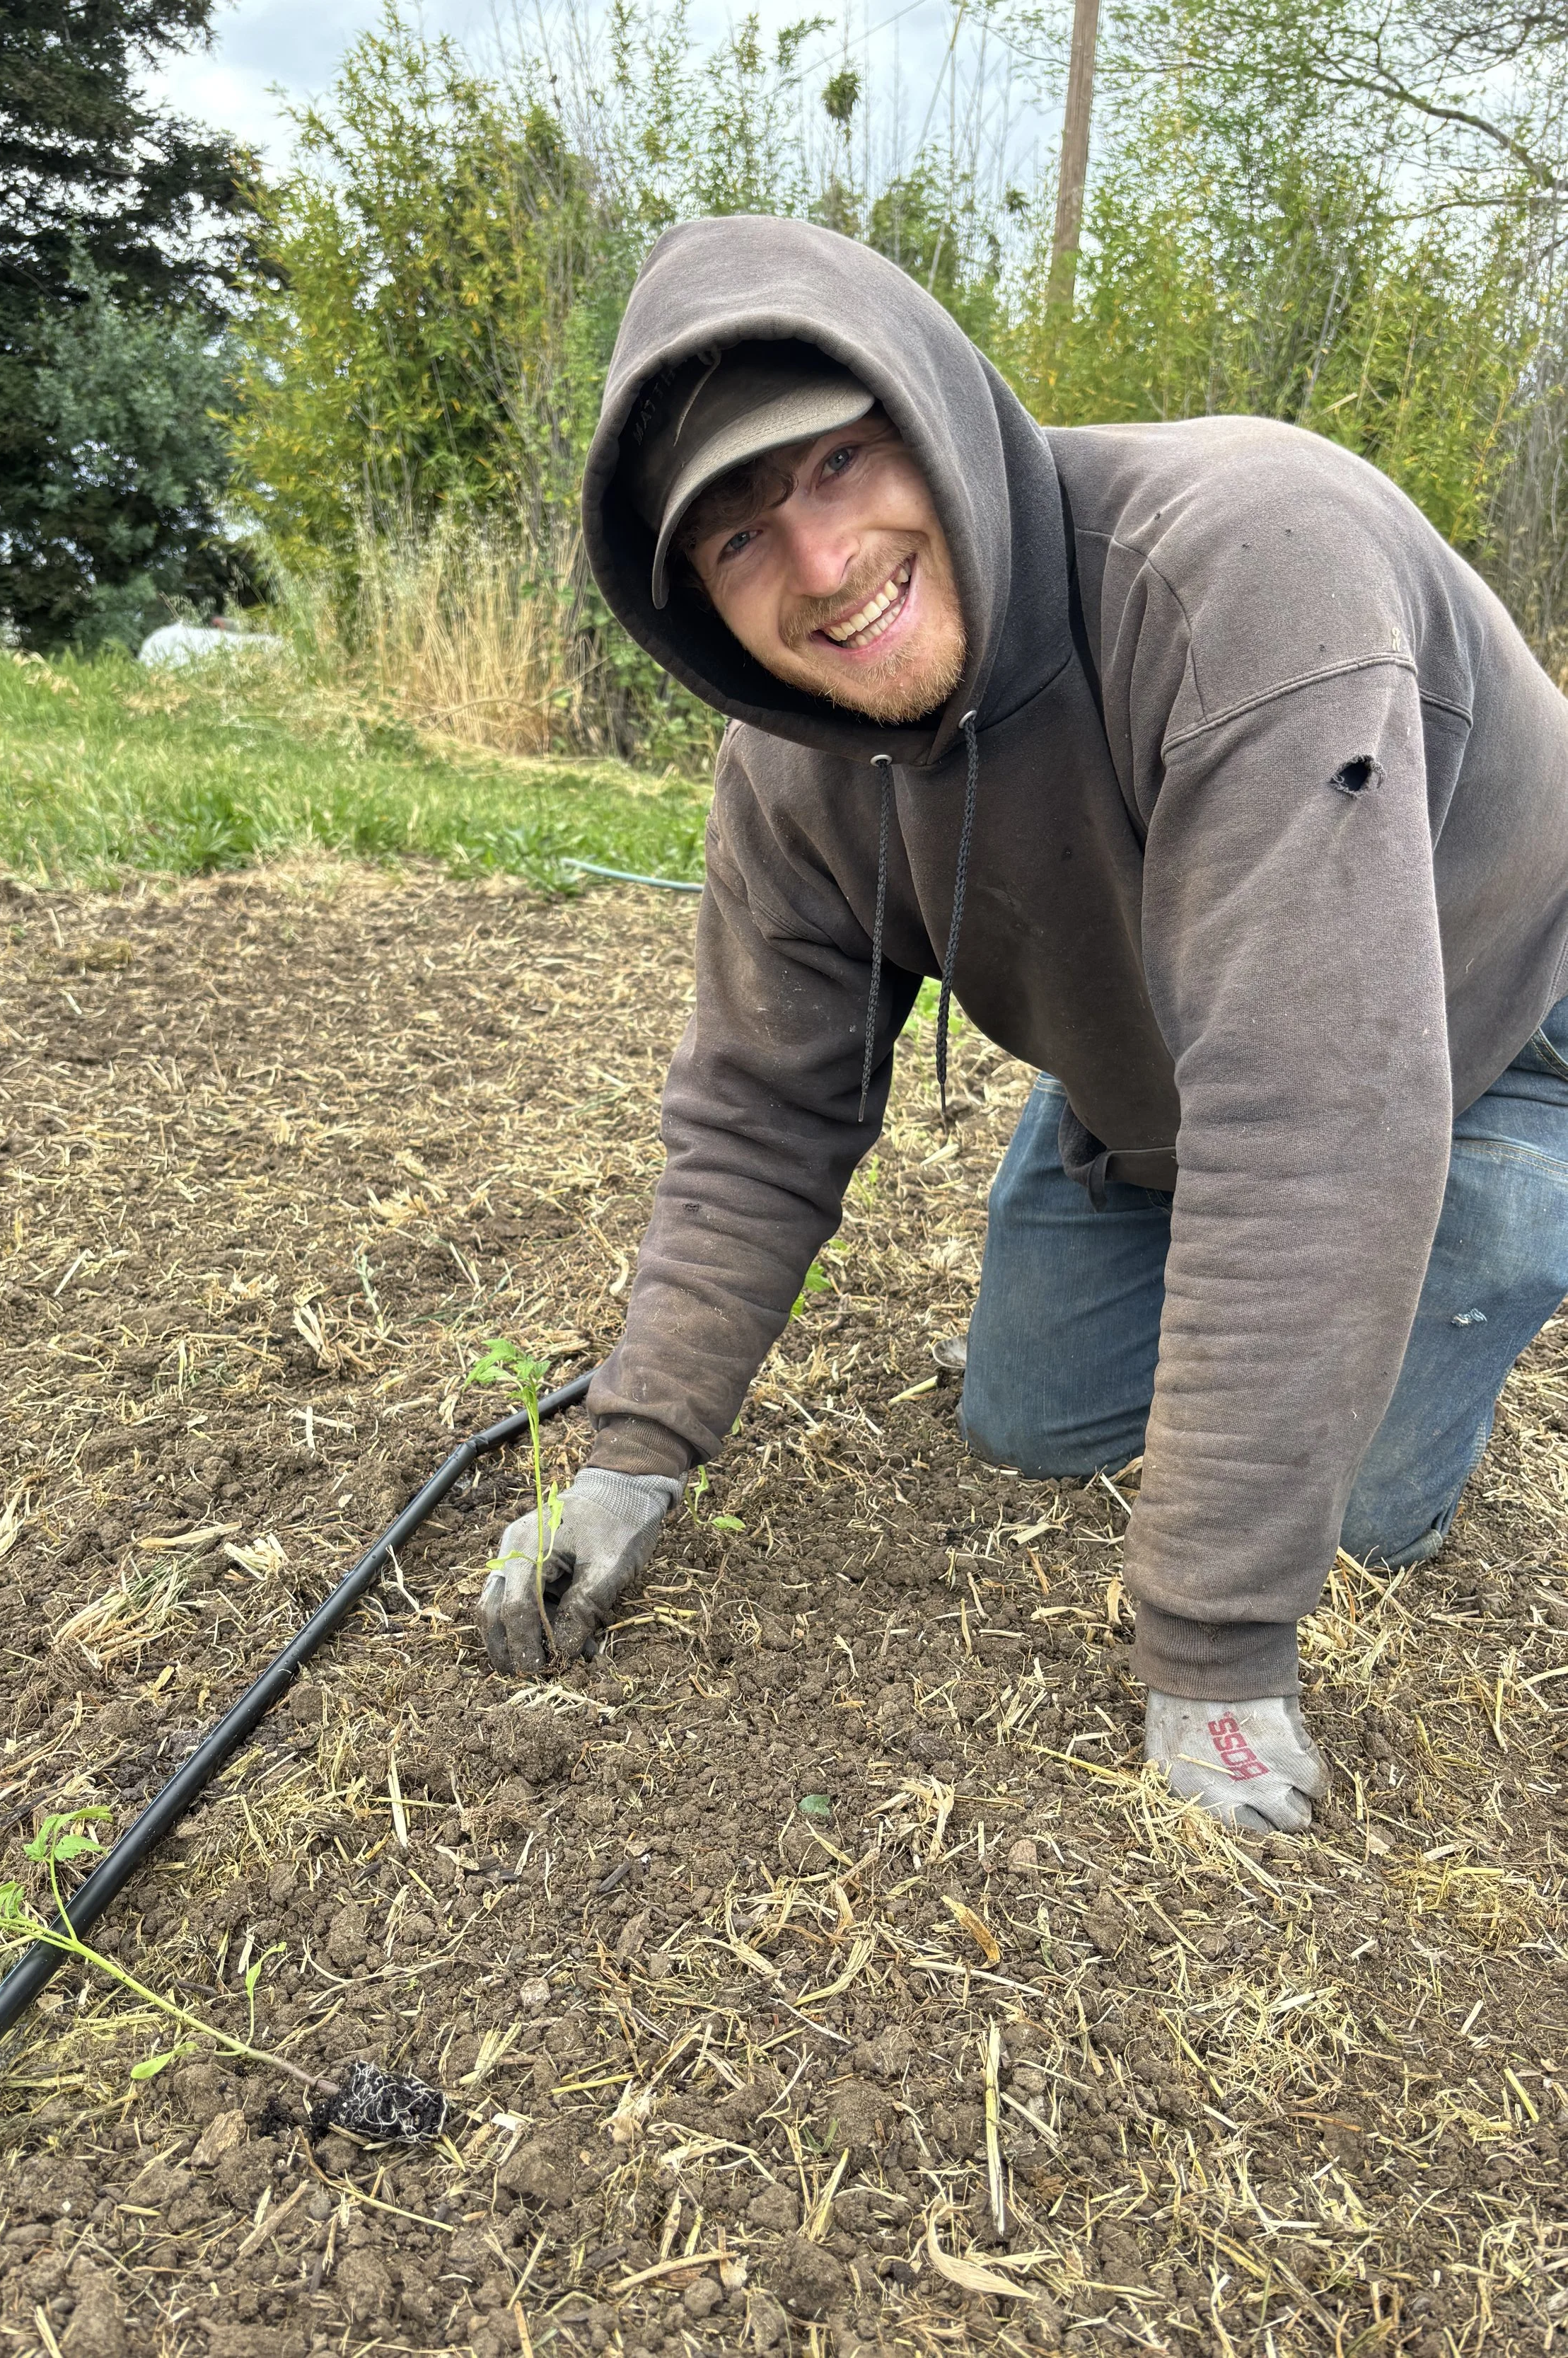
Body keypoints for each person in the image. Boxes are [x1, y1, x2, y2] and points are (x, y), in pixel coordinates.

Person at [473, 215, 1568, 1834]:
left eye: (836, 464)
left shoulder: (1252, 570)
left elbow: (1314, 1118)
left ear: (930, 409)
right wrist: (631, 1452)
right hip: (1185, 1053)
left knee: (1351, 1520)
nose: (822, 567)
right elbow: (758, 1114)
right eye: (734, 538)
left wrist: (1211, 1647)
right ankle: (1142, 1136)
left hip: (1475, 1026)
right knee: (1024, 1422)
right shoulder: (796, 762)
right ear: (689, 597)